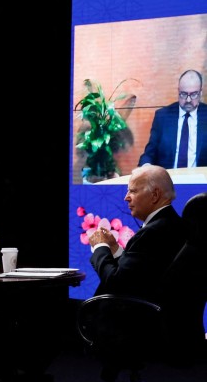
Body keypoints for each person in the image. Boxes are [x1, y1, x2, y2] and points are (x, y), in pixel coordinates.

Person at [87, 163, 185, 303]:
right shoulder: (172, 224)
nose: (126, 197)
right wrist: (115, 249)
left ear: (155, 195)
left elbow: (116, 284)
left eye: (132, 191)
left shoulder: (153, 232)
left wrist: (100, 246)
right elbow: (138, 274)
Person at [137, 70, 206, 169]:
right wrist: (146, 166)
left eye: (194, 94)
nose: (188, 100)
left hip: (200, 181)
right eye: (183, 94)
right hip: (168, 181)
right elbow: (149, 153)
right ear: (178, 91)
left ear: (200, 92)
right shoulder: (162, 116)